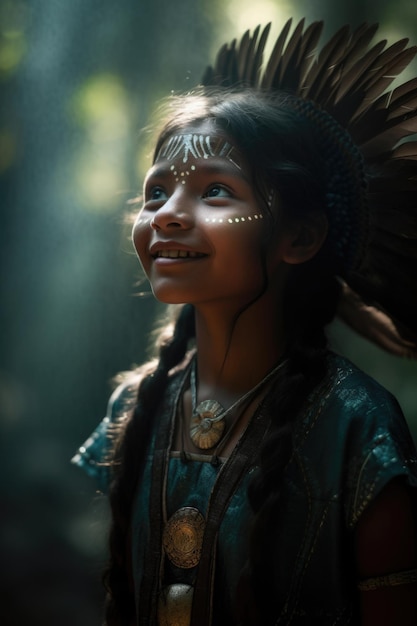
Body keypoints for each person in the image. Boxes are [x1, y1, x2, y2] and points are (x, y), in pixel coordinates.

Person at [72, 20, 417, 626]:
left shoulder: (359, 426)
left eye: (214, 192)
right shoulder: (136, 406)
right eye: (155, 194)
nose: (169, 216)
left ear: (300, 237)